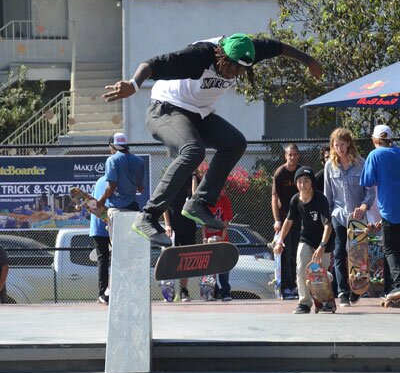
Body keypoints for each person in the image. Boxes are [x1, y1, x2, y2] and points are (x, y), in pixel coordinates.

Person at [102, 33, 322, 246]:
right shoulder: (198, 55)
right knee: (193, 150)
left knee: (235, 143)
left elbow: (279, 47)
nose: (233, 75)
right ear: (221, 57)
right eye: (231, 68)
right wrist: (133, 84)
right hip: (165, 108)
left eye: (240, 70)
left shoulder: (250, 49)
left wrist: (310, 61)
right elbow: (152, 64)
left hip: (198, 114)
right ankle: (148, 216)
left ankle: (199, 202)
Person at [324, 128, 375, 307]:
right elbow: (327, 194)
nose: (339, 149)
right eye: (336, 145)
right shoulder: (330, 165)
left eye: (342, 145)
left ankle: (358, 288)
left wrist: (364, 206)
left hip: (357, 217)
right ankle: (343, 291)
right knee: (338, 252)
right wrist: (327, 218)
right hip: (338, 214)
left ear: (349, 144)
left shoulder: (361, 163)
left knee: (358, 255)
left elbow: (369, 190)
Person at [274, 167, 334, 314]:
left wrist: (321, 246)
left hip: (324, 241)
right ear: (296, 184)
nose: (303, 184)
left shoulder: (320, 199)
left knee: (319, 274)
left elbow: (328, 226)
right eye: (299, 181)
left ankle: (326, 301)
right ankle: (304, 303)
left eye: (306, 181)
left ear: (312, 183)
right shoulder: (295, 200)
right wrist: (280, 241)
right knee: (301, 269)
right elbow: (288, 221)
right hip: (306, 238)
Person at [360, 124, 400, 300]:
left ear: (375, 140)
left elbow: (368, 180)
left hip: (389, 210)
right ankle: (393, 288)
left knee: (390, 249)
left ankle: (398, 286)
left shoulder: (374, 154)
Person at [96, 133, 145, 238]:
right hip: (133, 207)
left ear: (112, 146)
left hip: (116, 210)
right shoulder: (139, 161)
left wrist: (102, 200)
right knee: (131, 242)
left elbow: (111, 186)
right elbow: (140, 188)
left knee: (117, 245)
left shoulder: (112, 160)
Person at [271, 143, 302, 299]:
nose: (292, 157)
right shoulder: (280, 173)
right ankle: (286, 287)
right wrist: (277, 220)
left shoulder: (302, 172)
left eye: (295, 154)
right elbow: (274, 197)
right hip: (284, 219)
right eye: (289, 155)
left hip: (299, 219)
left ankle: (298, 286)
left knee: (298, 253)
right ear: (285, 156)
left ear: (298, 156)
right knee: (285, 252)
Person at [163, 173, 199, 302]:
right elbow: (164, 205)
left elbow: (195, 197)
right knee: (171, 258)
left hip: (188, 227)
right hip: (173, 228)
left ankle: (184, 290)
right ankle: (169, 288)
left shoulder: (192, 179)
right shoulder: (171, 180)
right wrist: (167, 225)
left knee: (187, 259)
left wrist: (194, 175)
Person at [201, 190, 234, 301]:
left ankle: (225, 292)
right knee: (210, 267)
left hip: (221, 239)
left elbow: (225, 221)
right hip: (210, 239)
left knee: (223, 266)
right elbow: (203, 222)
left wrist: (222, 237)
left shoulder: (224, 200)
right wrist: (205, 238)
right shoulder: (205, 201)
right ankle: (212, 291)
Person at [90, 175, 111, 305]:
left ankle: (102, 294)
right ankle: (107, 292)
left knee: (102, 259)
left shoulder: (99, 181)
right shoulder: (113, 183)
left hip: (96, 227)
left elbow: (92, 204)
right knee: (115, 259)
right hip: (111, 225)